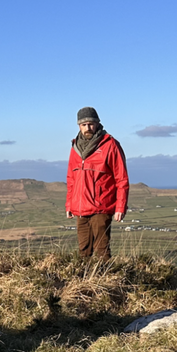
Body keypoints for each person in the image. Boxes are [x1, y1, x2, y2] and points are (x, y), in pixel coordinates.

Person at [66, 106, 129, 260]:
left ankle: (105, 281)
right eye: (83, 124)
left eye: (91, 124)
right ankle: (85, 281)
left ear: (97, 123)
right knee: (83, 252)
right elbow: (71, 179)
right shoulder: (75, 148)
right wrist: (70, 205)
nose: (87, 128)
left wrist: (120, 207)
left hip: (101, 207)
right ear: (79, 126)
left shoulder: (110, 144)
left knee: (102, 251)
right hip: (81, 209)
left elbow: (121, 178)